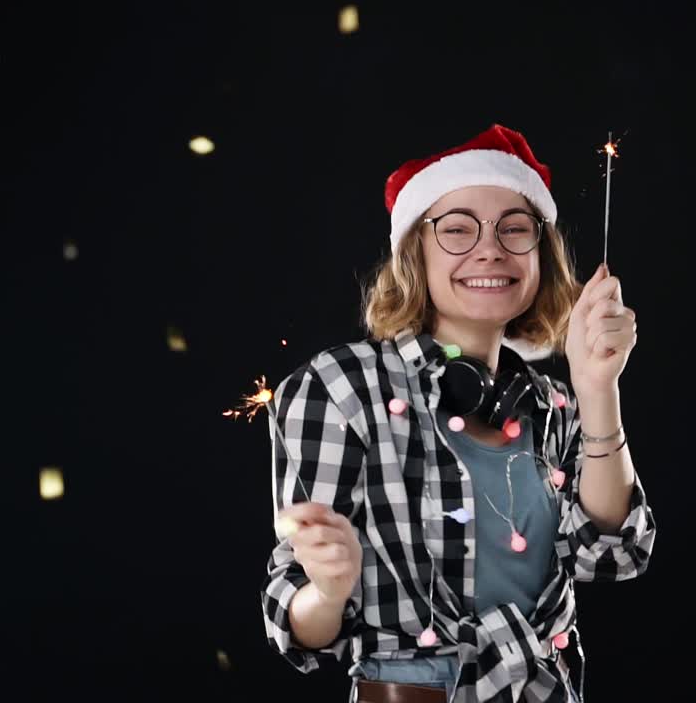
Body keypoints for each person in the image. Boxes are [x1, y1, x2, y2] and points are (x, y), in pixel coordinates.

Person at [260, 123, 657, 703]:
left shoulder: (552, 404)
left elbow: (613, 553)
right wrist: (327, 588)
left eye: (515, 229)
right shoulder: (342, 387)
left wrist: (598, 388)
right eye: (457, 229)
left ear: (539, 254)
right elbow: (297, 627)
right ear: (414, 252)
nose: (490, 248)